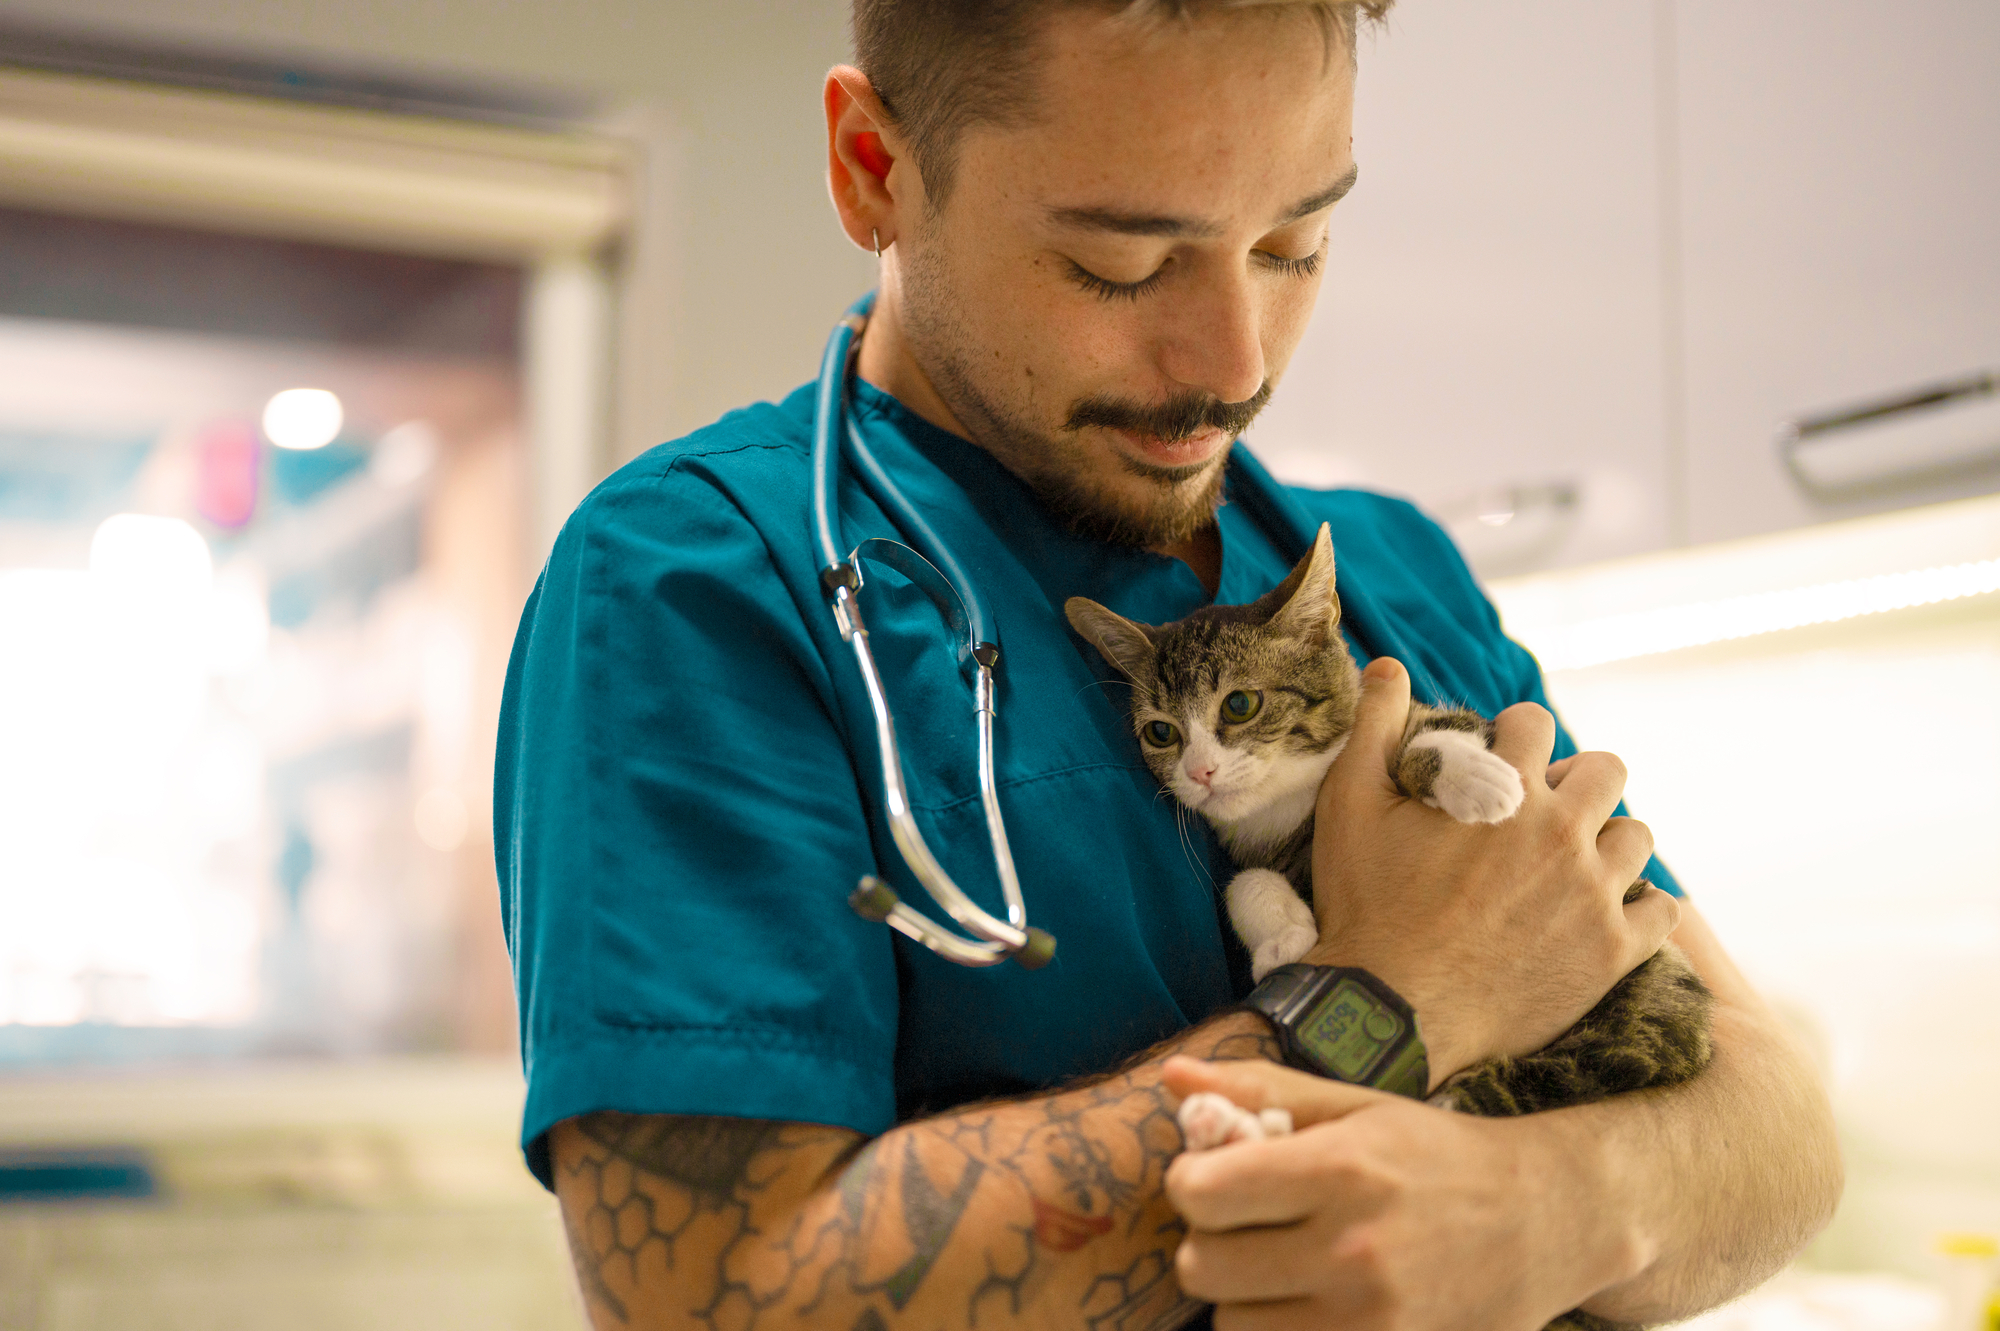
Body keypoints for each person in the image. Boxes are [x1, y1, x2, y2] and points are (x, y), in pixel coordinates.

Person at [496, 2, 1842, 1327]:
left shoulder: (1381, 570)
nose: (1234, 363)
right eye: (1123, 266)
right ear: (875, 171)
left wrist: (1543, 1209)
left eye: (1295, 245)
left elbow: (1776, 1121)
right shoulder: (699, 579)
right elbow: (720, 1296)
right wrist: (1396, 995)